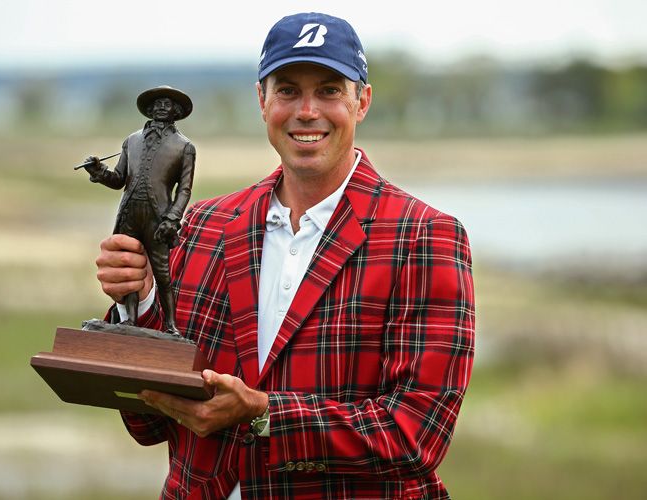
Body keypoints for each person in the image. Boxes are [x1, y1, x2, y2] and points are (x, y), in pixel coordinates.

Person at [95, 12, 475, 499]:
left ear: (362, 102)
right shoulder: (201, 226)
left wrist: (264, 413)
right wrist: (142, 301)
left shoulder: (426, 237)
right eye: (288, 90)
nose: (307, 110)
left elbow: (416, 434)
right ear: (262, 101)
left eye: (330, 90)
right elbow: (147, 426)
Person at [84, 86, 195, 334]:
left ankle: (171, 326)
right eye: (157, 104)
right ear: (149, 109)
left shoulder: (184, 147)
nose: (161, 108)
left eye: (167, 104)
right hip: (129, 213)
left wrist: (172, 218)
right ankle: (130, 320)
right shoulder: (131, 141)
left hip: (159, 218)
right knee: (129, 269)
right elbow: (118, 179)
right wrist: (99, 171)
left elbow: (184, 191)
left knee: (163, 273)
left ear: (176, 112)